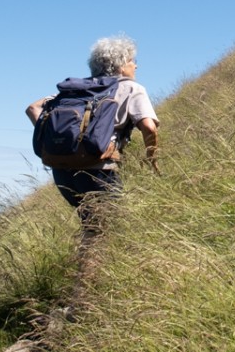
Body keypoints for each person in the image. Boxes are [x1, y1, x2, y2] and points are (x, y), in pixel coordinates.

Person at [26, 35, 159, 239]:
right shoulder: (131, 88)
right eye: (133, 61)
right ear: (121, 64)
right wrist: (152, 160)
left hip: (63, 172)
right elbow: (149, 127)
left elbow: (33, 108)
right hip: (98, 171)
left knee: (93, 227)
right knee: (109, 231)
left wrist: (59, 137)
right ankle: (88, 270)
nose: (136, 66)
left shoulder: (76, 89)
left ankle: (85, 267)